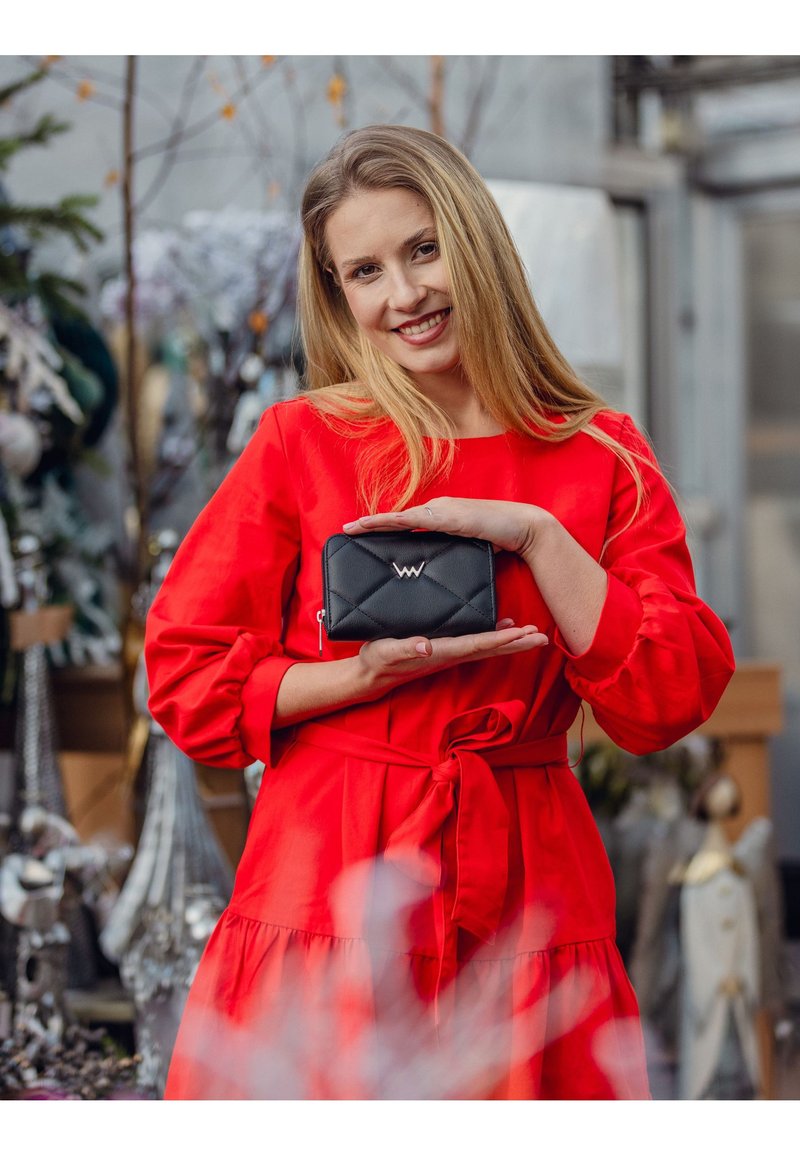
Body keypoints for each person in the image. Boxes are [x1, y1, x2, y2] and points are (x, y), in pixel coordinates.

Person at [144, 124, 735, 1100]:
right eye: (363, 271)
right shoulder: (301, 441)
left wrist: (538, 536)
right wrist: (357, 677)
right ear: (338, 296)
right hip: (325, 873)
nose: (403, 294)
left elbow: (667, 694)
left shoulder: (602, 454)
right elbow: (182, 670)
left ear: (478, 245)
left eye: (424, 249)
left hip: (526, 878)